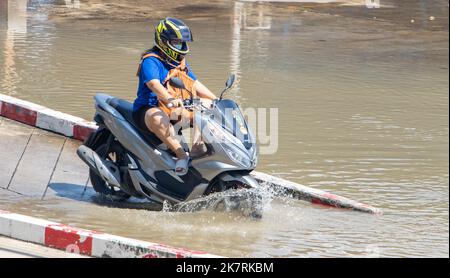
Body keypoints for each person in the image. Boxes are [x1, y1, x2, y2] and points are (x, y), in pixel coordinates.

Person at [132, 17, 217, 176]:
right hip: (149, 110)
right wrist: (170, 99)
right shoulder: (151, 61)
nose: (182, 46)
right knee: (158, 117)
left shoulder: (179, 62)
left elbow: (195, 84)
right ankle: (181, 155)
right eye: (177, 42)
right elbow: (154, 84)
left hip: (175, 109)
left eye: (183, 43)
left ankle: (197, 147)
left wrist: (217, 100)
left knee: (206, 105)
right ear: (164, 41)